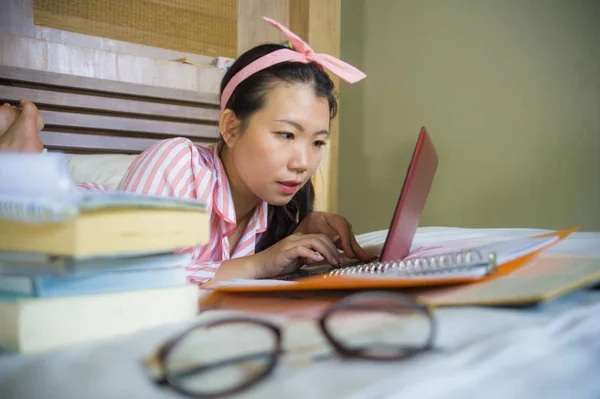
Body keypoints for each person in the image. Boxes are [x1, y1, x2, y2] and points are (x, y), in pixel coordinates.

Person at [0, 17, 375, 284]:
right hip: (59, 225)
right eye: (285, 134)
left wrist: (298, 234)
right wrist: (259, 265)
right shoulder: (177, 161)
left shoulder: (270, 209)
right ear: (230, 127)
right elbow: (135, 277)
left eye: (318, 142)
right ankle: (24, 140)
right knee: (26, 189)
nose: (303, 162)